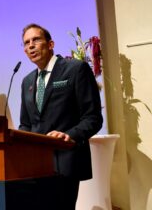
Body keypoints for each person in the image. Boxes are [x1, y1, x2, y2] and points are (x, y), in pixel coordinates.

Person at [19, 23, 103, 209]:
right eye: (26, 43)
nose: (30, 45)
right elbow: (25, 124)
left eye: (36, 40)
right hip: (35, 165)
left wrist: (70, 135)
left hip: (65, 161)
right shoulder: (27, 82)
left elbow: (93, 118)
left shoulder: (75, 69)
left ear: (50, 44)